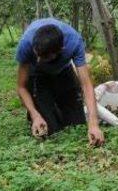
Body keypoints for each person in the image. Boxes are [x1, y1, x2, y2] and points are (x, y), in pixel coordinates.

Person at [15, 18, 105, 146]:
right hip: (37, 76)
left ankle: (54, 107)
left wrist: (93, 124)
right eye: (37, 55)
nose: (39, 60)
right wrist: (35, 115)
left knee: (77, 124)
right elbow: (21, 87)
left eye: (44, 57)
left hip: (63, 70)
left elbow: (86, 85)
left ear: (61, 50)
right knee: (48, 131)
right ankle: (40, 109)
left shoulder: (74, 42)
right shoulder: (26, 44)